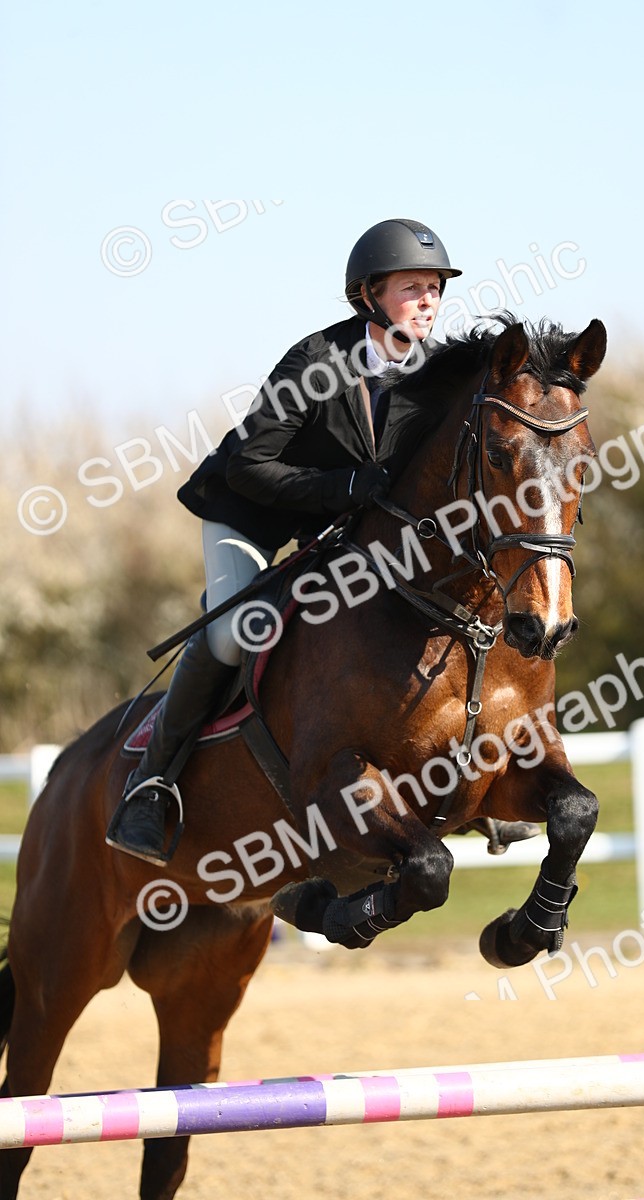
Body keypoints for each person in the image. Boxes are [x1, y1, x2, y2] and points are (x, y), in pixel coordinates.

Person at [105, 218, 537, 866]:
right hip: (250, 514)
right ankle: (154, 784)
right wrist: (346, 485)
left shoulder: (436, 375)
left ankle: (469, 784)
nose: (428, 301)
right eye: (412, 288)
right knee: (233, 632)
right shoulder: (317, 362)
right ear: (368, 295)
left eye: (434, 289)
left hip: (336, 524)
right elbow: (252, 463)